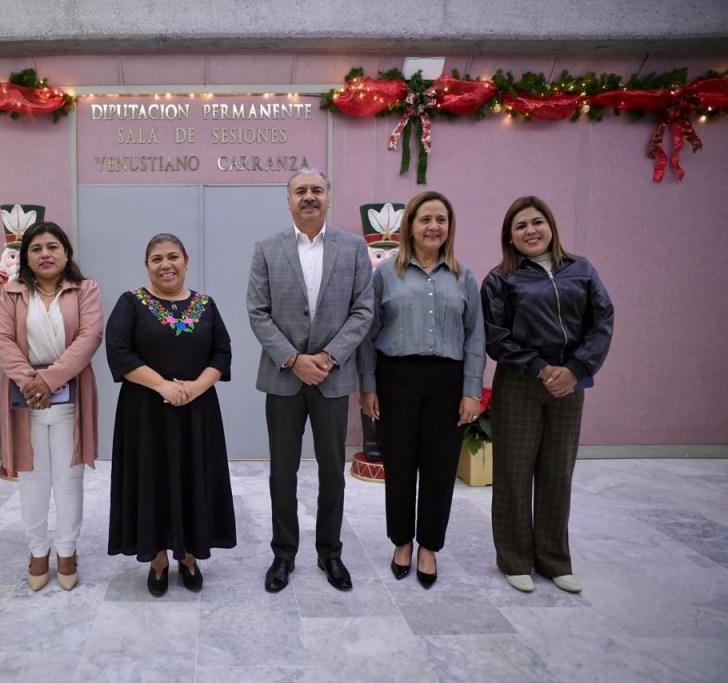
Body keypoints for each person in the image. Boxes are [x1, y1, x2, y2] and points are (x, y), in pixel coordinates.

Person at [247, 168, 373, 593]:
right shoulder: (267, 250)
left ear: (328, 197)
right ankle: (283, 554)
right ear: (288, 200)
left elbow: (363, 311)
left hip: (332, 379)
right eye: (300, 190)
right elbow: (257, 312)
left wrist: (329, 357)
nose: (309, 196)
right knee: (282, 472)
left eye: (317, 189)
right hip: (283, 379)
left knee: (333, 472)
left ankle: (329, 552)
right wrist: (292, 359)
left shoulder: (353, 248)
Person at [481, 195, 614, 594]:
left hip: (569, 382)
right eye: (520, 226)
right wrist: (539, 368)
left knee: (558, 472)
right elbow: (496, 337)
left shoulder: (581, 269)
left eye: (537, 222)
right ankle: (515, 559)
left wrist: (576, 369)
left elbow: (602, 320)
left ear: (551, 226)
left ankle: (555, 560)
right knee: (513, 472)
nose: (531, 231)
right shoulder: (500, 279)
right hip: (521, 383)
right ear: (510, 237)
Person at [358, 190, 485, 589]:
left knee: (440, 468)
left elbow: (475, 337)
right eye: (425, 219)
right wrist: (368, 385)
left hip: (447, 381)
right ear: (410, 226)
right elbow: (367, 334)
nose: (433, 226)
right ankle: (402, 542)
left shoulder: (463, 276)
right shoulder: (385, 274)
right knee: (399, 465)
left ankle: (429, 546)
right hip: (396, 379)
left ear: (450, 227)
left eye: (441, 220)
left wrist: (472, 390)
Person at [106, 233, 236, 597]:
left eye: (173, 257)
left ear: (186, 261)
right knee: (152, 480)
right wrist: (163, 386)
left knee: (194, 478)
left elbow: (222, 353)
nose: (166, 265)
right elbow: (119, 352)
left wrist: (194, 388)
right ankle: (158, 558)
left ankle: (190, 555)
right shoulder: (131, 302)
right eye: (157, 259)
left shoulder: (206, 305)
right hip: (145, 414)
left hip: (198, 413)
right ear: (147, 266)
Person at [0, 221, 103, 592]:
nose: (45, 254)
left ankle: (67, 550)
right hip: (24, 401)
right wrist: (31, 382)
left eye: (53, 247)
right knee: (33, 478)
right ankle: (38, 551)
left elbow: (89, 337)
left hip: (71, 398)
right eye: (36, 248)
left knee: (69, 479)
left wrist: (49, 380)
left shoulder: (85, 289)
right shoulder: (11, 293)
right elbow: (2, 339)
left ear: (66, 253)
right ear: (25, 257)